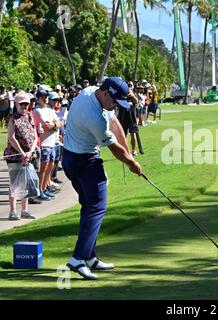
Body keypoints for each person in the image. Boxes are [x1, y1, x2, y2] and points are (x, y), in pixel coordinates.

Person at [62, 77, 141, 280]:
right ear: (105, 93)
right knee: (97, 207)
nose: (114, 105)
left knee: (89, 207)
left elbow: (114, 122)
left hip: (69, 159)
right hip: (85, 162)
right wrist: (132, 164)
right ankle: (78, 259)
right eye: (114, 101)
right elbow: (115, 149)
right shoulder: (94, 117)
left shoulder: (90, 92)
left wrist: (130, 157)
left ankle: (89, 257)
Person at [3, 92, 38, 220]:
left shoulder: (29, 116)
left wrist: (30, 152)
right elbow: (12, 138)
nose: (24, 106)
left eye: (26, 104)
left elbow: (34, 136)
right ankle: (13, 212)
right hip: (15, 156)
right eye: (21, 104)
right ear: (16, 104)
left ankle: (25, 210)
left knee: (26, 183)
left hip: (28, 156)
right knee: (14, 184)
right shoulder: (12, 118)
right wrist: (23, 153)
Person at [32, 90, 62, 201]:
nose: (46, 99)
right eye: (43, 97)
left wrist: (54, 125)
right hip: (44, 144)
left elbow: (59, 123)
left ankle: (44, 188)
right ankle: (39, 190)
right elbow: (46, 126)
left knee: (49, 167)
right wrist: (54, 125)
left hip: (52, 143)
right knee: (43, 169)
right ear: (38, 98)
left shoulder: (50, 110)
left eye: (46, 97)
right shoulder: (37, 111)